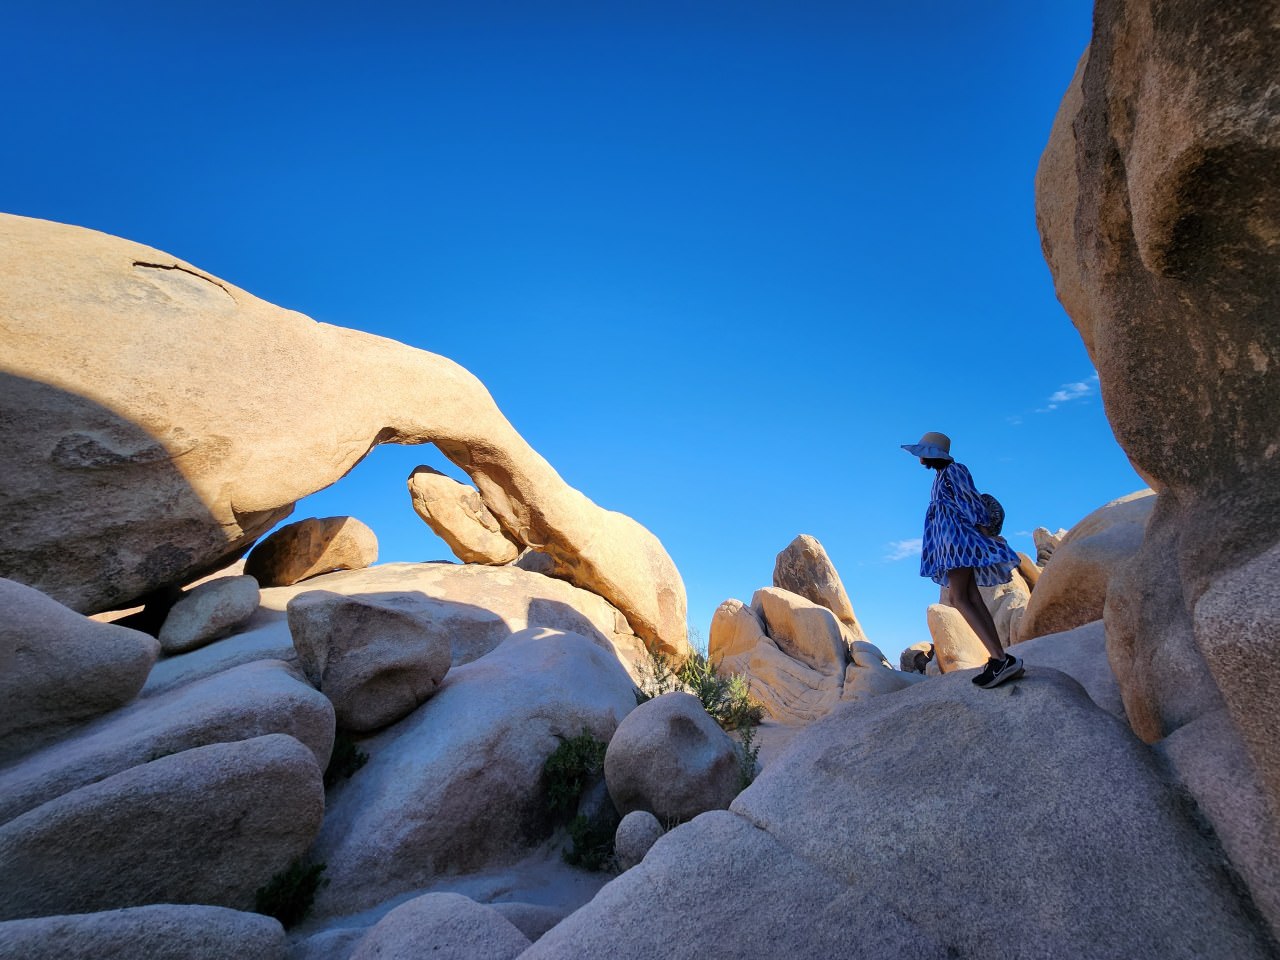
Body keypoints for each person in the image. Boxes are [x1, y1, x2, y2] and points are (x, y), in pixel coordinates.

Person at [901, 431, 1024, 688]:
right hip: (949, 542)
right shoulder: (940, 476)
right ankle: (999, 657)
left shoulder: (955, 470)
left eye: (923, 452)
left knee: (959, 598)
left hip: (959, 541)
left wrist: (983, 527)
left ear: (933, 453)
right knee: (970, 597)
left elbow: (970, 499)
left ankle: (1000, 658)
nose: (920, 457)